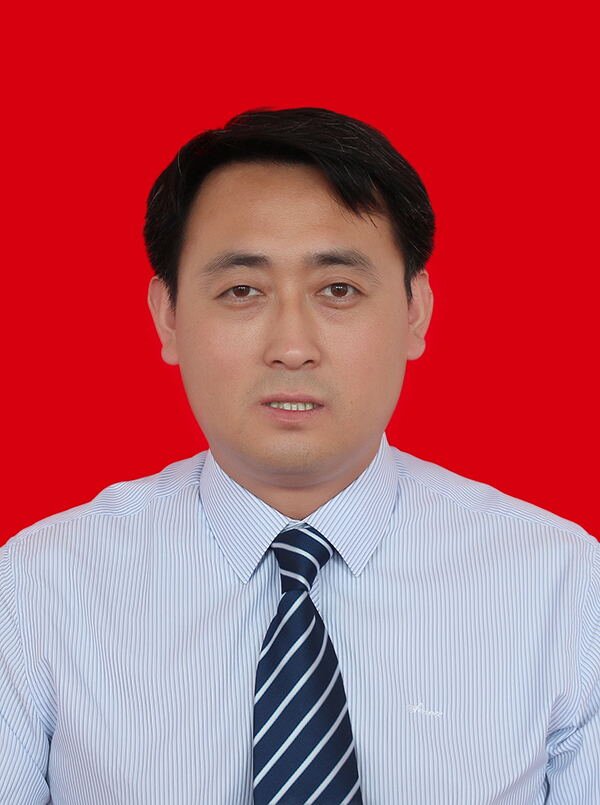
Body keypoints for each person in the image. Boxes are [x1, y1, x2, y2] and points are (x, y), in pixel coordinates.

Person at [0, 106, 598, 805]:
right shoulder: (38, 589)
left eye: (338, 290)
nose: (291, 346)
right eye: (242, 291)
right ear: (168, 316)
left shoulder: (564, 587)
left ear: (415, 311)